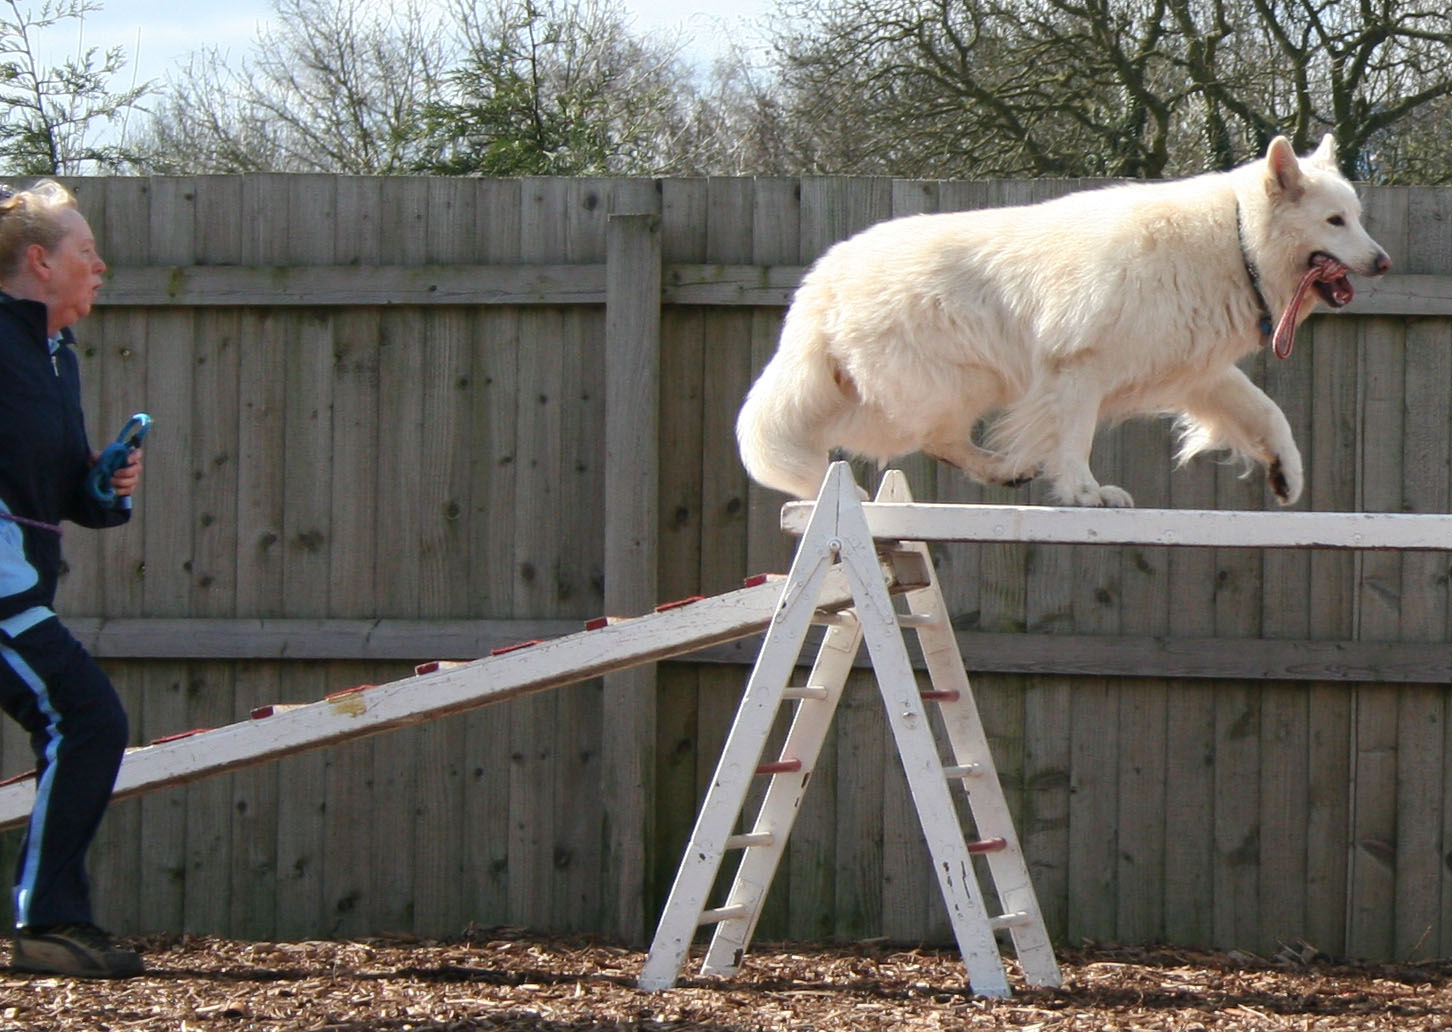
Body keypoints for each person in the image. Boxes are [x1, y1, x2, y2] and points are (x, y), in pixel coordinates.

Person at [0, 180, 145, 978]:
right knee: (87, 717)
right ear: (38, 262)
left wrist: (104, 486)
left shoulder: (55, 358)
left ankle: (50, 919)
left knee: (83, 720)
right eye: (85, 252)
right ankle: (50, 922)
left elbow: (56, 490)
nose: (100, 265)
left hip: (20, 577)